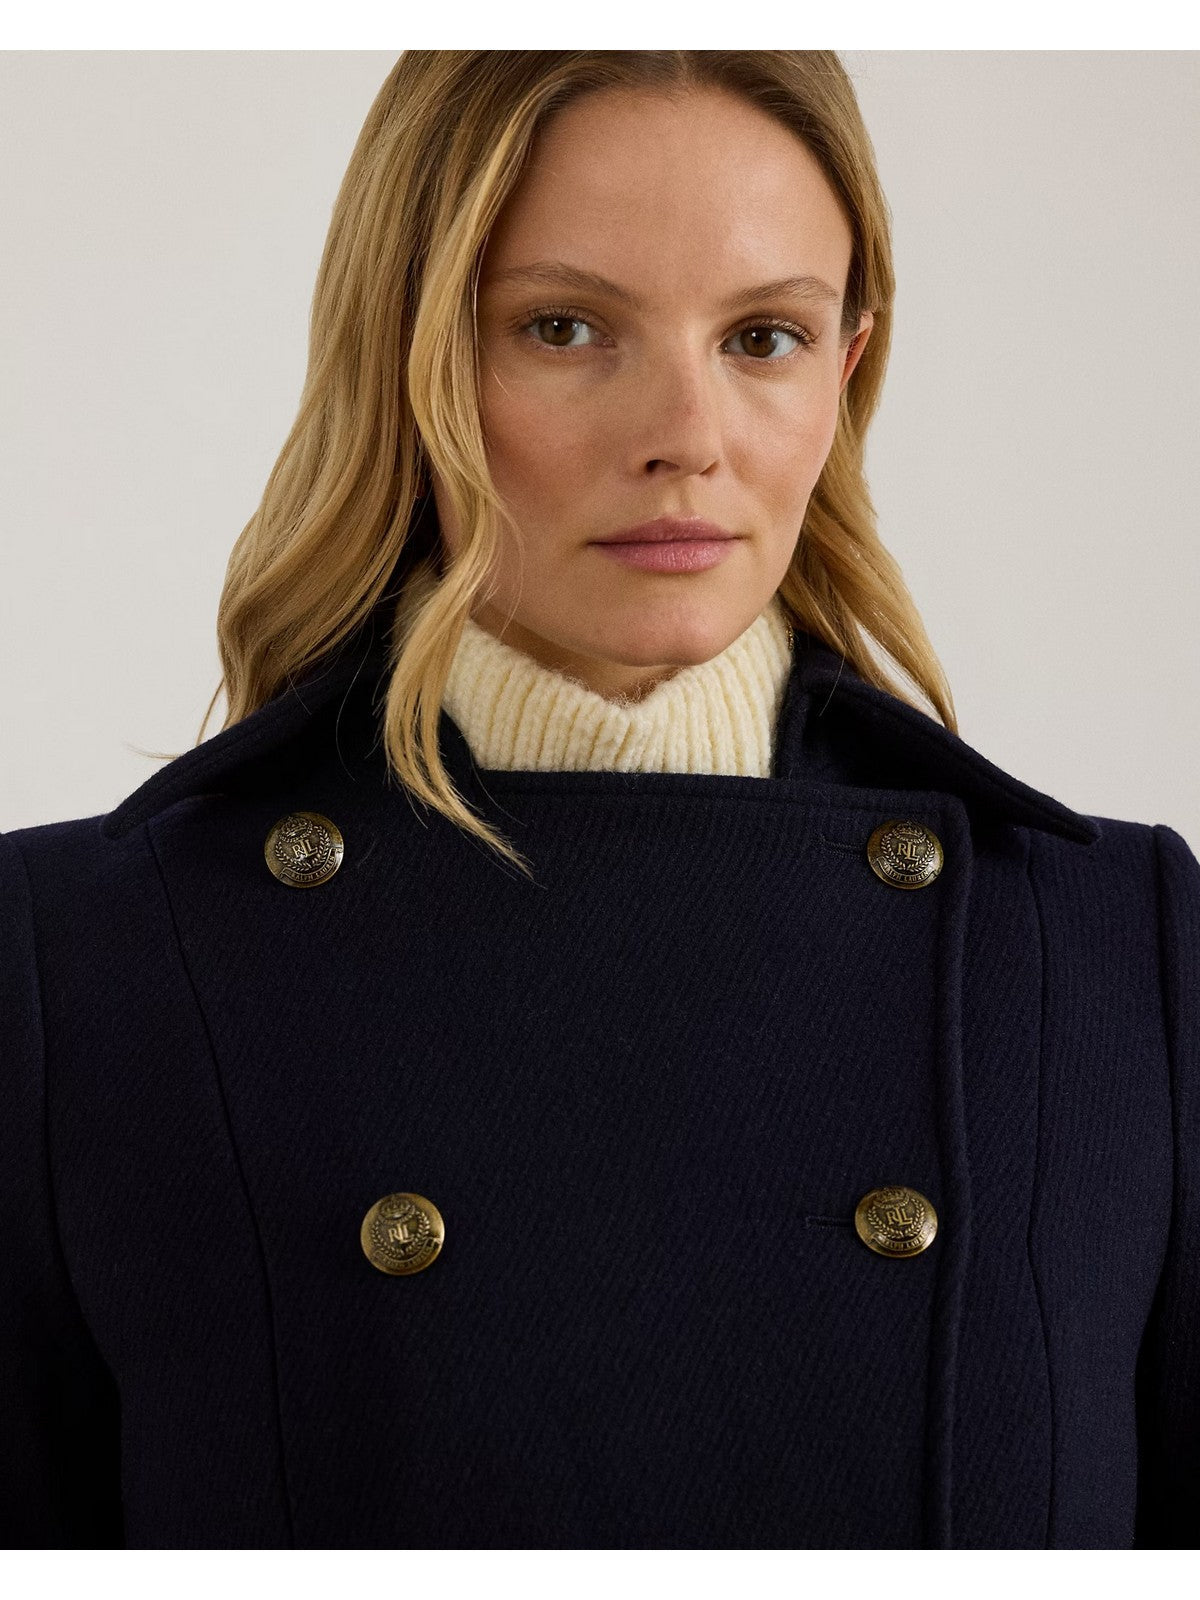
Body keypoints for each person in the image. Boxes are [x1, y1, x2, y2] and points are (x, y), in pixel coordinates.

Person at [1, 48, 1196, 1552]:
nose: (686, 433)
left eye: (762, 336)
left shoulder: (1118, 955)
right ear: (410, 359)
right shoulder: (83, 964)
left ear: (847, 367)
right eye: (564, 328)